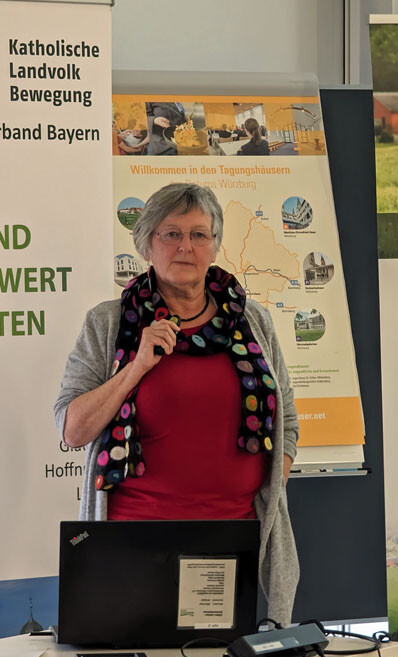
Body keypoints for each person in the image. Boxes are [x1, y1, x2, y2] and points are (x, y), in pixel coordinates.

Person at [54, 183, 300, 625]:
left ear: (215, 246)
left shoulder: (253, 321)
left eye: (199, 235)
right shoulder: (109, 323)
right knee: (141, 654)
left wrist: (270, 488)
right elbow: (73, 430)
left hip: (230, 538)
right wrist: (135, 367)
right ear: (146, 244)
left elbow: (287, 423)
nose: (186, 246)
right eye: (171, 234)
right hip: (136, 541)